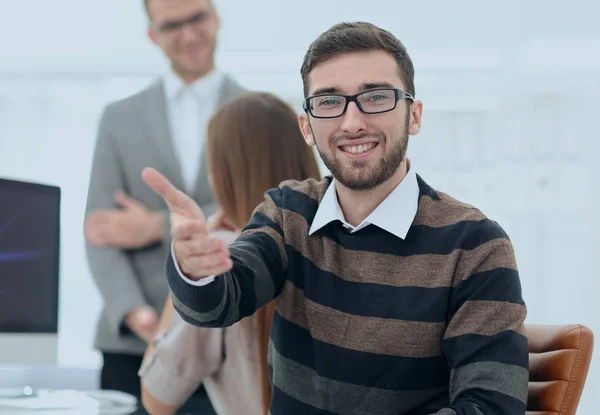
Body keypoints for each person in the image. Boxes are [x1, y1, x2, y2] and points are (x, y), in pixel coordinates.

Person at [143, 22, 529, 414]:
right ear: (307, 127)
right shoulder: (287, 212)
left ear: (414, 115)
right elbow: (218, 305)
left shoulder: (476, 246)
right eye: (329, 102)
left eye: (376, 97)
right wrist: (194, 268)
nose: (352, 122)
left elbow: (491, 407)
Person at [83, 0, 245, 404]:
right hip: (132, 344)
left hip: (226, 339)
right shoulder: (118, 118)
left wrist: (154, 226)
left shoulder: (256, 115)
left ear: (216, 19)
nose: (188, 35)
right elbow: (100, 230)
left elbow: (268, 215)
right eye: (172, 25)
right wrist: (139, 316)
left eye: (197, 19)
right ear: (153, 35)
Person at [138, 92, 322, 415]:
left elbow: (156, 397)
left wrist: (186, 275)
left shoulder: (221, 257)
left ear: (224, 175)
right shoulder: (334, 243)